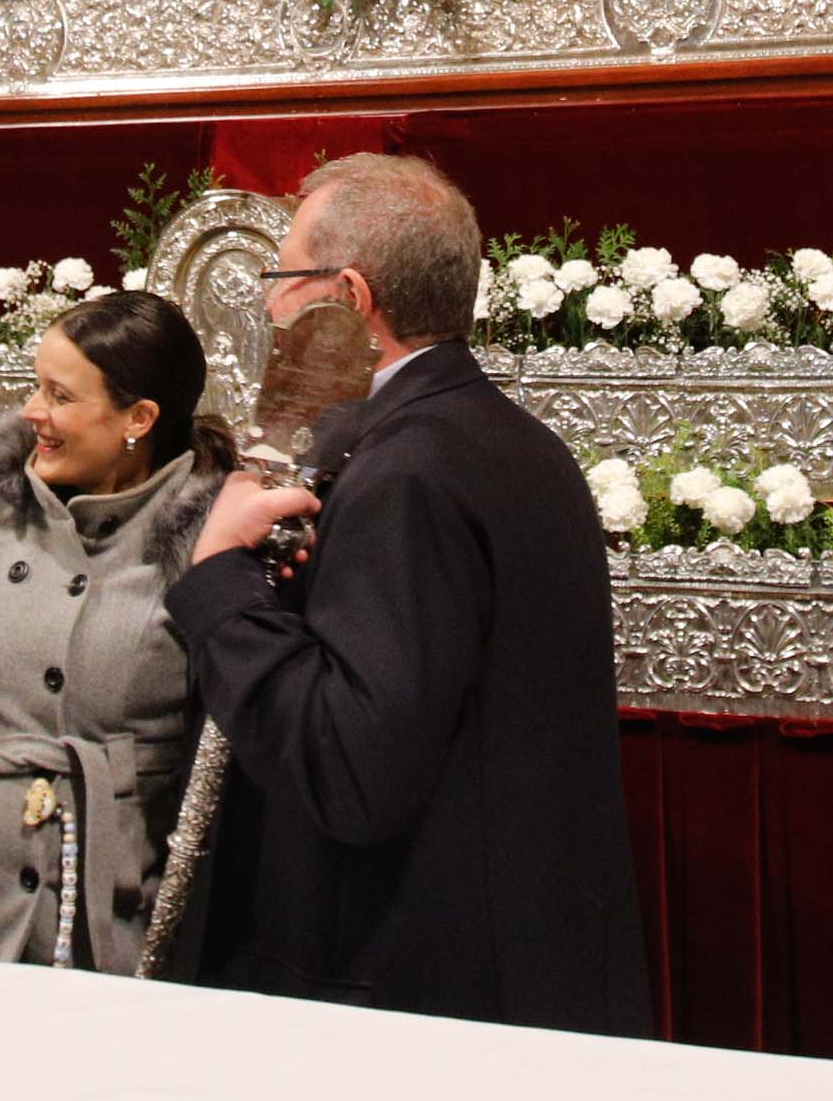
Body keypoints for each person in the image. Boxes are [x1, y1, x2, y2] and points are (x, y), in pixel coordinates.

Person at [163, 153, 648, 1033]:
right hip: (522, 960)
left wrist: (220, 580)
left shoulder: (405, 474)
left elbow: (352, 768)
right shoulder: (515, 441)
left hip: (408, 982)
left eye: (282, 278)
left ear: (347, 297)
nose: (269, 306)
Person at [0, 291, 230, 972]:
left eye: (58, 394)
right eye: (36, 385)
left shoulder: (212, 537)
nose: (32, 412)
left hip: (112, 906)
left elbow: (218, 756)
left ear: (137, 418)